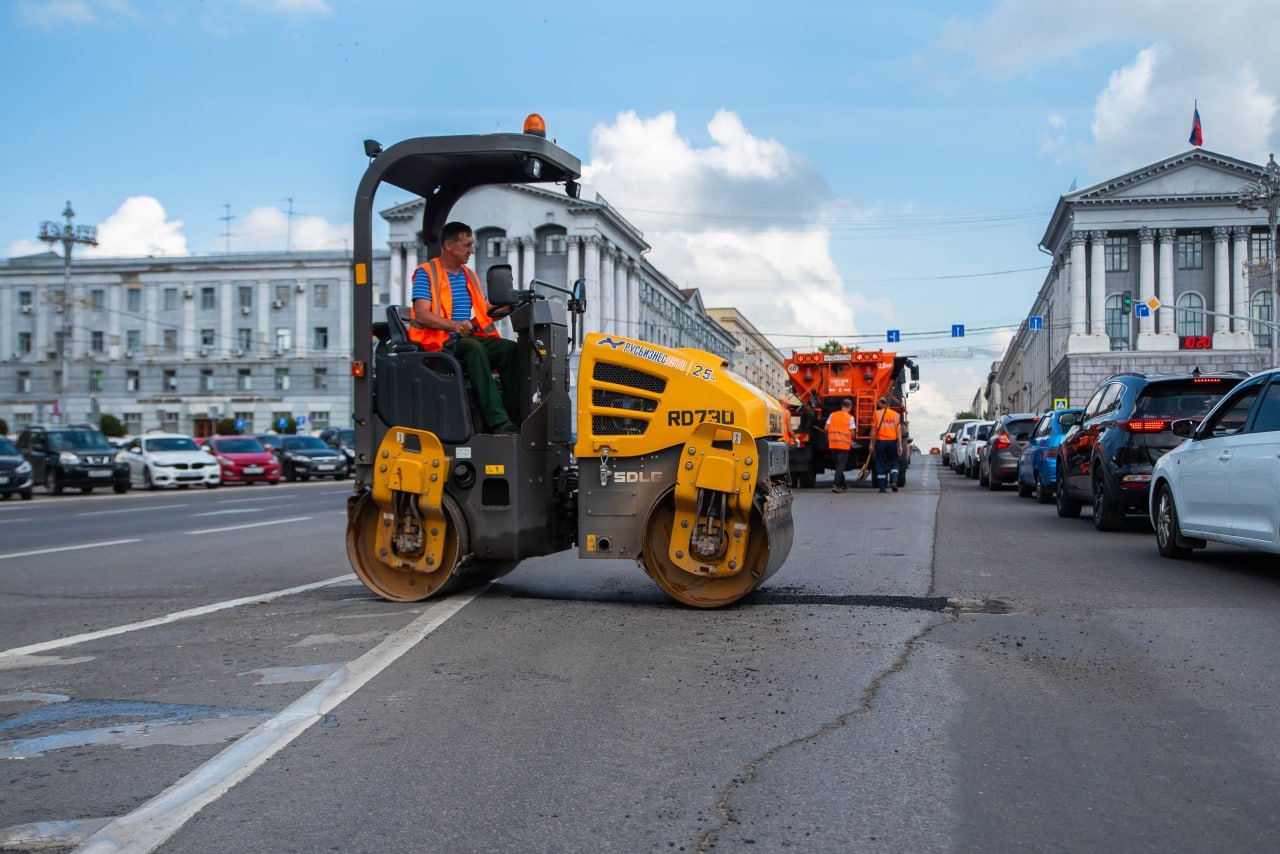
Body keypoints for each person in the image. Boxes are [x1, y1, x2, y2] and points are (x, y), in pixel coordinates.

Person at [408, 221, 520, 433]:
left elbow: (483, 307)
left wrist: (510, 301)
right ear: (449, 246)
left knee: (509, 349)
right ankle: (497, 421)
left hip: (465, 338)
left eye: (471, 244)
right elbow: (422, 314)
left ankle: (515, 417)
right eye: (467, 245)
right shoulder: (426, 273)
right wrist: (454, 325)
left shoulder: (469, 275)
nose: (471, 250)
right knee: (474, 348)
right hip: (439, 344)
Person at [872, 396, 902, 493]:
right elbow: (899, 432)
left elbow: (873, 430)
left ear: (881, 404)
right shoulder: (896, 415)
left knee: (880, 463)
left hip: (880, 442)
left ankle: (882, 487)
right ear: (889, 405)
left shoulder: (876, 414)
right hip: (892, 442)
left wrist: (871, 444)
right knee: (894, 462)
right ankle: (893, 480)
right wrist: (900, 445)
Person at [825, 398, 854, 493]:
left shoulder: (832, 415)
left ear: (842, 406)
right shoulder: (850, 418)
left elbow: (826, 428)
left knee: (838, 465)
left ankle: (843, 484)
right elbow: (852, 432)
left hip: (833, 444)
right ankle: (836, 484)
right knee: (840, 466)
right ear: (849, 407)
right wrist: (851, 440)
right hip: (844, 445)